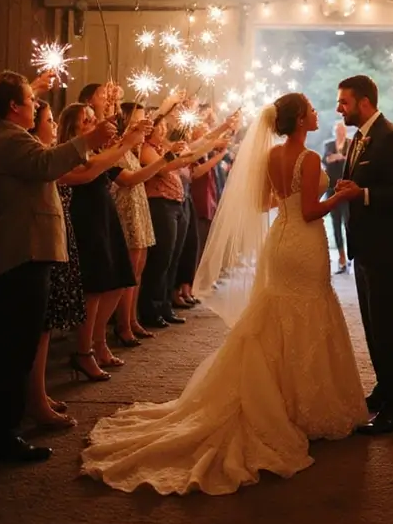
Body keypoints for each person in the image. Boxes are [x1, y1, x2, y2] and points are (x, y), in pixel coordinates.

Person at [81, 93, 367, 495]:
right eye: (311, 109)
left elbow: (267, 202)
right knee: (310, 311)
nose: (317, 113)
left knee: (279, 314)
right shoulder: (309, 158)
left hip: (281, 240)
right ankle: (303, 402)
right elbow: (308, 211)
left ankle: (284, 396)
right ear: (301, 120)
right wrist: (340, 196)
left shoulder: (272, 155)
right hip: (303, 243)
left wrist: (291, 203)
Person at [0, 71, 115, 463]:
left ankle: (9, 425)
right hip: (21, 253)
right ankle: (4, 433)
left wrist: (34, 88)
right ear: (14, 106)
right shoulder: (9, 138)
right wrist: (88, 141)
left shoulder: (11, 134)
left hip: (29, 251)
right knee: (16, 347)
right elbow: (47, 163)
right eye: (30, 100)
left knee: (21, 344)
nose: (36, 105)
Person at [335, 75, 393, 434]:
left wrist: (362, 194)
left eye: (344, 102)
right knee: (373, 324)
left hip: (390, 245)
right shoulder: (359, 138)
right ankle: (385, 387)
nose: (339, 108)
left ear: (364, 102)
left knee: (387, 323)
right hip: (367, 245)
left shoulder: (392, 137)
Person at [322, 120, 350, 272]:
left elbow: (351, 162)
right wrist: (340, 157)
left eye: (342, 130)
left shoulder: (351, 144)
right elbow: (327, 159)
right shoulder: (328, 145)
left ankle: (351, 255)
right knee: (336, 223)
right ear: (335, 132)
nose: (340, 132)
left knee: (349, 223)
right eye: (338, 130)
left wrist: (337, 157)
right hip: (332, 189)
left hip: (347, 189)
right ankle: (341, 257)